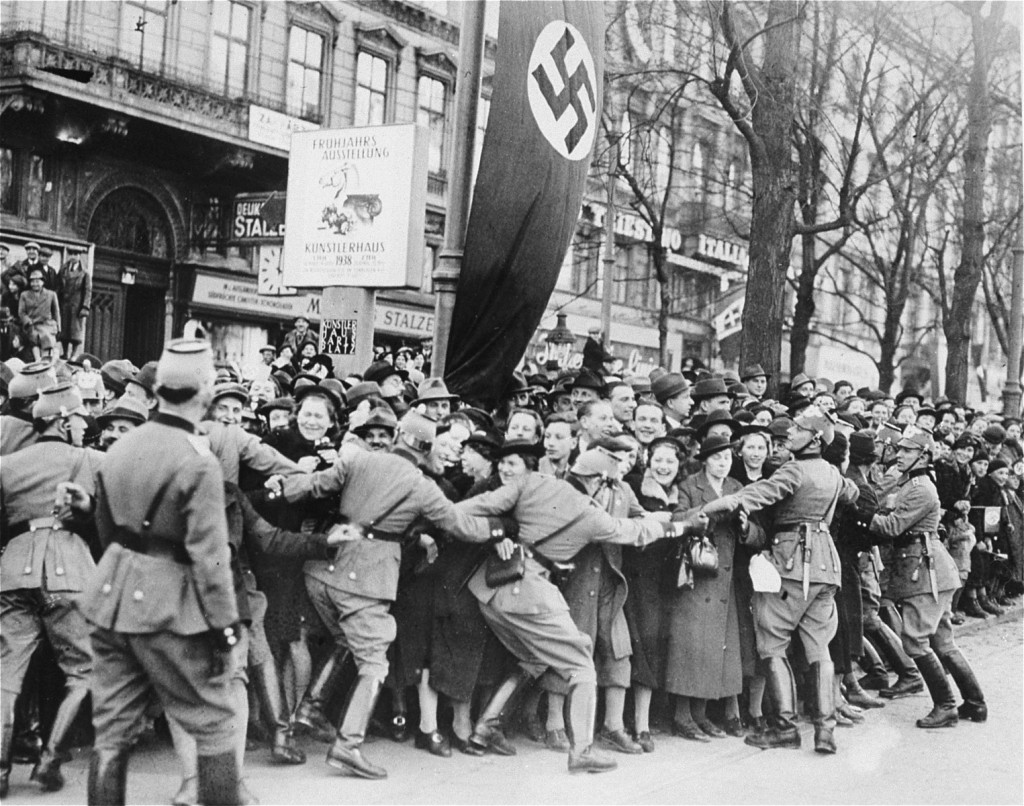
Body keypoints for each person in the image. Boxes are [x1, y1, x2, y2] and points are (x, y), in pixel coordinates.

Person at [264, 411, 510, 780]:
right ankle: (348, 746)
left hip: (322, 568)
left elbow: (312, 485)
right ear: (424, 448)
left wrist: (278, 485)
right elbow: (460, 525)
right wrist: (499, 528)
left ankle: (311, 708)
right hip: (365, 579)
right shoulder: (422, 486)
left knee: (348, 640)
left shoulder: (357, 459)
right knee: (374, 662)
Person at [451, 449, 707, 774]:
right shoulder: (590, 515)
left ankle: (485, 727)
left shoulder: (539, 483)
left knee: (535, 658)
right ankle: (582, 750)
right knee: (581, 664)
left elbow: (478, 508)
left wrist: (472, 525)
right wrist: (681, 526)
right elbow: (635, 533)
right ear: (596, 482)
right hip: (529, 591)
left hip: (490, 587)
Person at [81, 339, 245, 806]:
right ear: (206, 392)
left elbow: (106, 527)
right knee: (214, 725)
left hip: (112, 595)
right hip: (167, 603)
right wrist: (226, 630)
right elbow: (211, 558)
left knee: (111, 730)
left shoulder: (120, 446)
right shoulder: (198, 461)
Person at [704, 406, 859, 755]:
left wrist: (719, 505)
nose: (789, 433)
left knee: (772, 642)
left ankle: (784, 727)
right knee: (819, 648)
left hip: (791, 564)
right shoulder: (832, 472)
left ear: (815, 438)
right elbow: (853, 495)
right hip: (824, 566)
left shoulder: (794, 471)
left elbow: (758, 494)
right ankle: (825, 731)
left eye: (798, 429)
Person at [0, 383, 101, 797]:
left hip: (13, 570)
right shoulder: (90, 459)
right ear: (63, 419)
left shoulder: (6, 465)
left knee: (6, 674)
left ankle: (0, 771)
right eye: (79, 418)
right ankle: (51, 760)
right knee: (88, 670)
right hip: (68, 570)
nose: (84, 425)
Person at [866, 426, 987, 728]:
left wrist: (859, 513)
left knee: (916, 640)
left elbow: (893, 526)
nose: (900, 454)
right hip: (927, 567)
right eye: (901, 449)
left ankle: (946, 706)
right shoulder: (912, 482)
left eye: (907, 451)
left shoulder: (920, 487)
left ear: (924, 455)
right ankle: (975, 702)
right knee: (943, 641)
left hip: (926, 570)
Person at [666, 435, 760, 742]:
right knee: (690, 646)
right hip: (696, 573)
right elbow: (677, 519)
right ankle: (683, 716)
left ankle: (702, 714)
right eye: (717, 458)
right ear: (705, 459)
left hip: (725, 577)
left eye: (727, 458)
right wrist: (709, 508)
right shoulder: (689, 485)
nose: (724, 463)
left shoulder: (737, 487)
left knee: (716, 647)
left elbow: (759, 533)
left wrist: (746, 528)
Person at [56, 245, 91, 361]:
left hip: (76, 305)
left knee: (75, 330)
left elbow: (87, 290)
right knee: (64, 329)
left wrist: (85, 307)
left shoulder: (84, 273)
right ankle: (65, 353)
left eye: (76, 254)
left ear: (80, 256)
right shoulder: (63, 269)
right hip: (64, 303)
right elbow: (58, 287)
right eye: (71, 254)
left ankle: (74, 354)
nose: (73, 257)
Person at [18, 267, 60, 361]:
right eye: (32, 281)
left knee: (48, 337)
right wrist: (28, 322)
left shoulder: (51, 294)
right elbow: (21, 312)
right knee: (34, 337)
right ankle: (38, 360)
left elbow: (56, 312)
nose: (35, 284)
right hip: (32, 324)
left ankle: (48, 359)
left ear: (43, 282)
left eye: (38, 281)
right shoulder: (24, 295)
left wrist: (58, 327)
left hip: (47, 324)